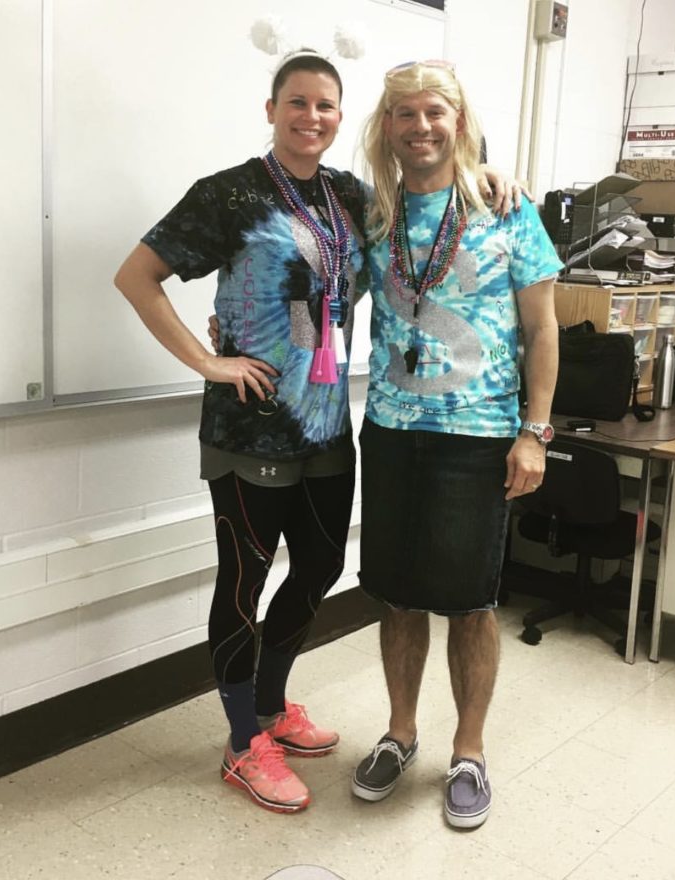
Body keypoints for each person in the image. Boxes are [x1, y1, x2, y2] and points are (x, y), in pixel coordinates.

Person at [115, 48, 517, 816]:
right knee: (244, 583)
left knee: (321, 568)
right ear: (272, 110)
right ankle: (241, 743)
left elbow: (425, 200)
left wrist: (492, 172)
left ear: (342, 117)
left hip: (330, 424)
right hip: (252, 428)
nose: (311, 118)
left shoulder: (354, 198)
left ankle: (272, 708)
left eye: (326, 106)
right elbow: (137, 275)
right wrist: (209, 359)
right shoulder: (227, 195)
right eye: (296, 103)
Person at [349, 60, 563, 829]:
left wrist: (535, 432)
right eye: (404, 114)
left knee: (471, 603)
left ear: (459, 121)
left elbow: (543, 329)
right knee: (398, 596)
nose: (420, 126)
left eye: (434, 111)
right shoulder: (373, 213)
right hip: (394, 433)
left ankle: (468, 750)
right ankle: (400, 733)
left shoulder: (508, 211)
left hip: (478, 440)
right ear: (388, 127)